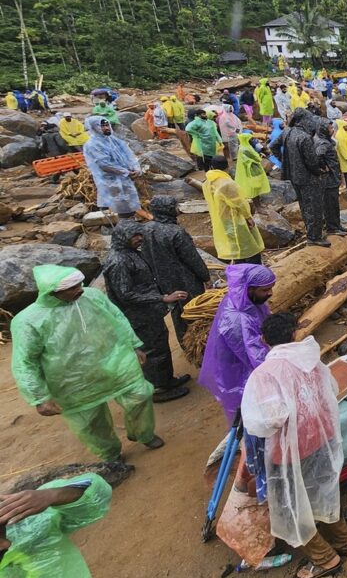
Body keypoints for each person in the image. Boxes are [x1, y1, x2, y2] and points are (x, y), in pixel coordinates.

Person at [241, 312, 347, 578]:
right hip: (321, 438)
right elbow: (332, 389)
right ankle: (346, 544)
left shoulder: (265, 374)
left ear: (264, 340)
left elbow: (267, 420)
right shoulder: (311, 361)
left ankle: (325, 559)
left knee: (291, 504)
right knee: (322, 491)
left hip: (290, 449)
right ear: (295, 333)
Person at [10, 265, 165, 462]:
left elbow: (117, 319)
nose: (79, 290)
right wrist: (39, 397)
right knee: (89, 422)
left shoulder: (92, 297)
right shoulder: (27, 321)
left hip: (113, 363)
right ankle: (111, 454)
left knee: (140, 395)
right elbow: (25, 362)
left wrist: (134, 345)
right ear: (52, 292)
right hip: (72, 382)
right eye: (72, 288)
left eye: (79, 284)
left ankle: (143, 433)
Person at [0, 473, 113, 578]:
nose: (7, 544)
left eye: (1, 533)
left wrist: (53, 496)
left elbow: (97, 495)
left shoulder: (29, 522)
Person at [103, 221, 191, 402]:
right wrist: (162, 298)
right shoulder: (119, 262)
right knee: (152, 352)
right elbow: (126, 294)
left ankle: (166, 380)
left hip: (149, 313)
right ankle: (157, 388)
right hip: (138, 316)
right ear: (123, 238)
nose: (139, 239)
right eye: (134, 236)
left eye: (140, 235)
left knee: (160, 345)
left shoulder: (130, 254)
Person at [200, 263, 275, 425]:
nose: (270, 293)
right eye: (265, 290)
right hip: (236, 368)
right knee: (246, 409)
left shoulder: (246, 300)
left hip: (245, 358)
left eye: (271, 288)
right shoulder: (237, 319)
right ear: (249, 288)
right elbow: (253, 355)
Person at [140, 195, 210, 341]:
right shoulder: (176, 232)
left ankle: (185, 343)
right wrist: (205, 276)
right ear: (167, 210)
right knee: (195, 311)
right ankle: (200, 344)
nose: (177, 209)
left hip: (163, 281)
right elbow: (192, 259)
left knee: (177, 313)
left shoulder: (146, 229)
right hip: (186, 280)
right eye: (174, 207)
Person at [202, 156, 265, 264]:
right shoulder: (227, 183)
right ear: (227, 166)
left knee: (235, 246)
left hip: (222, 219)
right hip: (235, 218)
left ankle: (241, 272)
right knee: (250, 247)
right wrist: (248, 217)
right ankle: (256, 272)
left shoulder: (207, 183)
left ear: (212, 167)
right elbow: (239, 203)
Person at [284, 108, 329, 246]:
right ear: (303, 120)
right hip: (308, 178)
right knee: (314, 207)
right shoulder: (304, 137)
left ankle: (311, 233)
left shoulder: (289, 132)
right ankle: (315, 237)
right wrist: (320, 171)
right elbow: (312, 162)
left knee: (304, 206)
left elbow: (275, 147)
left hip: (295, 177)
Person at [81, 116, 142, 217]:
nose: (106, 128)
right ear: (93, 128)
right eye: (102, 126)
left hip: (125, 178)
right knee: (121, 207)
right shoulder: (93, 144)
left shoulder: (113, 140)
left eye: (106, 125)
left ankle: (131, 224)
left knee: (131, 204)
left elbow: (129, 154)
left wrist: (136, 168)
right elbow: (104, 165)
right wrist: (126, 172)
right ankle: (125, 227)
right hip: (110, 181)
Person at [313, 120, 346, 236]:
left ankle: (337, 225)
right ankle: (332, 227)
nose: (332, 131)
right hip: (328, 179)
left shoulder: (327, 141)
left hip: (333, 178)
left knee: (334, 203)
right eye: (330, 129)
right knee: (330, 204)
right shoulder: (323, 143)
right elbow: (317, 156)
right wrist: (324, 167)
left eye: (332, 128)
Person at [235, 130, 271, 200]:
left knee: (256, 187)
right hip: (251, 170)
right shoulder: (245, 149)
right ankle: (257, 206)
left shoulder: (245, 147)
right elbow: (256, 158)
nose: (252, 140)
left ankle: (258, 204)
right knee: (254, 187)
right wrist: (260, 156)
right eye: (250, 138)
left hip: (253, 169)